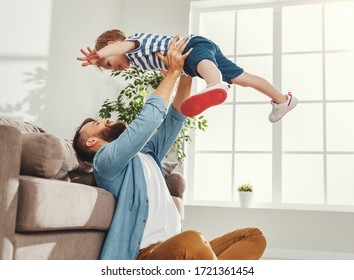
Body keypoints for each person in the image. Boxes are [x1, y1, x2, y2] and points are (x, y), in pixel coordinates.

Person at [73, 36, 267, 260]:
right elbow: (148, 121)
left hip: (178, 246)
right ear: (91, 142)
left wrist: (186, 71)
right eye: (98, 124)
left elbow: (176, 117)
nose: (106, 120)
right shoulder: (105, 162)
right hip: (148, 252)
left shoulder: (145, 154)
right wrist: (172, 73)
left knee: (253, 236)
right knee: (192, 240)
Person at [77, 29, 297, 122]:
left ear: (112, 44)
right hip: (190, 60)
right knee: (242, 78)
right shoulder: (139, 61)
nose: (114, 68)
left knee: (202, 63)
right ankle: (282, 100)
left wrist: (98, 55)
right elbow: (166, 69)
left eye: (109, 64)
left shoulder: (132, 43)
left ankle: (215, 84)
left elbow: (118, 48)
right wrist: (171, 77)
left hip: (191, 46)